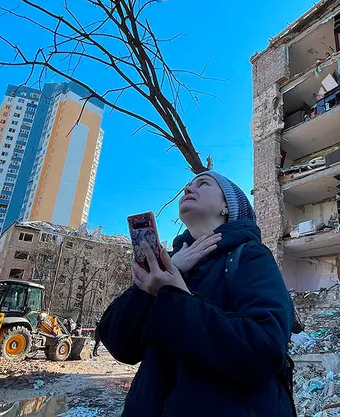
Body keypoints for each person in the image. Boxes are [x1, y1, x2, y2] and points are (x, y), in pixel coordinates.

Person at [98, 171, 295, 416]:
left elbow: (264, 351)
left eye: (203, 184)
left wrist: (173, 297)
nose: (188, 190)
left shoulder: (250, 256)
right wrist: (148, 288)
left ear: (227, 205)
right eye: (188, 186)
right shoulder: (170, 263)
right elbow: (120, 345)